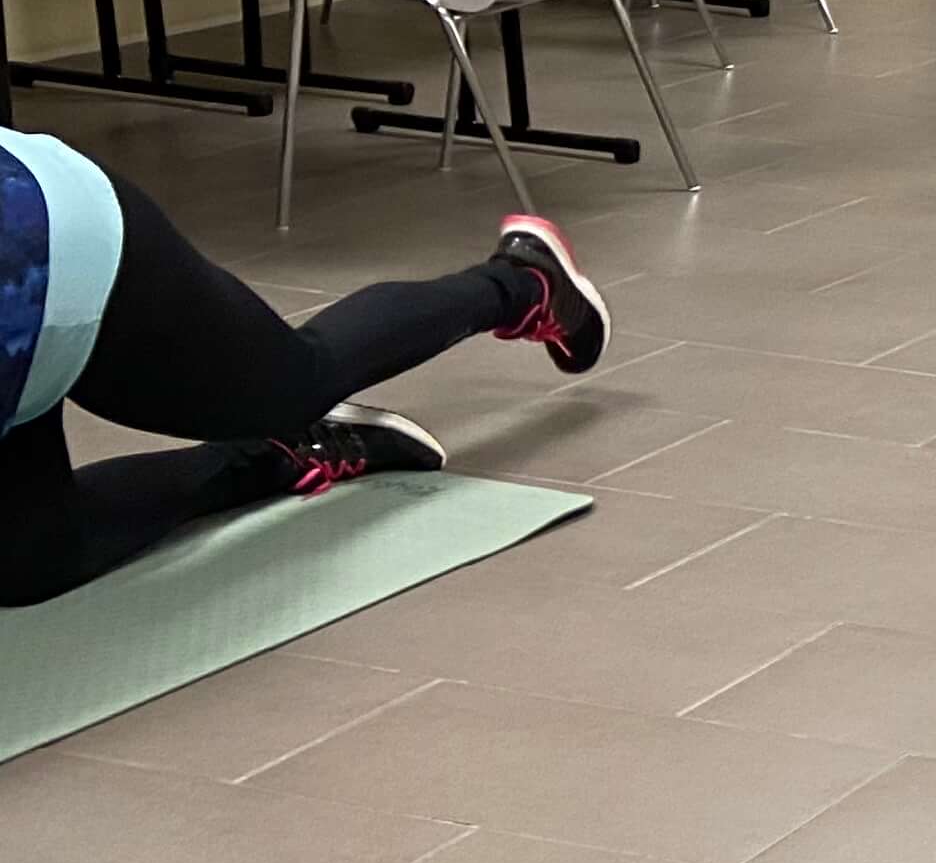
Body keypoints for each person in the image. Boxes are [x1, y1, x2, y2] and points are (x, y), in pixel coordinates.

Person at [0, 124, 609, 607]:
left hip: (55, 235)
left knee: (293, 380)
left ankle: (523, 282)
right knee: (31, 560)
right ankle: (273, 454)